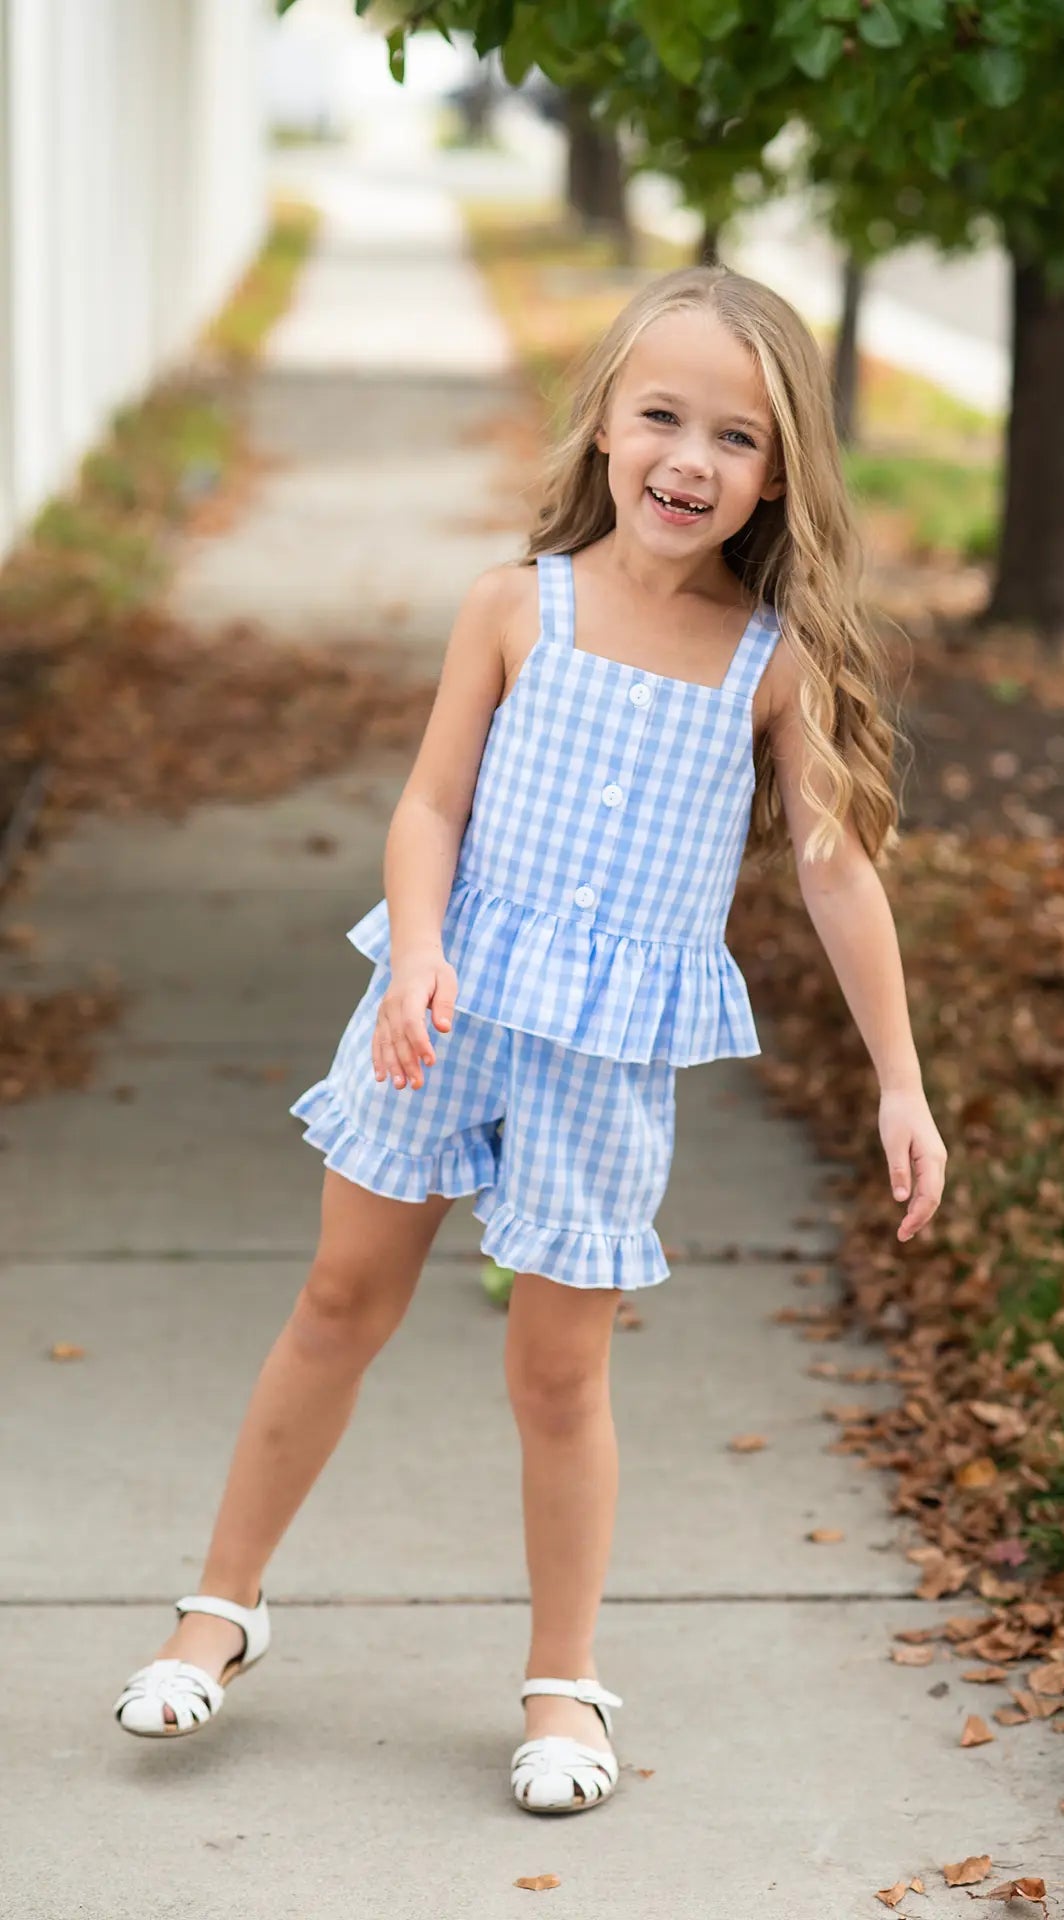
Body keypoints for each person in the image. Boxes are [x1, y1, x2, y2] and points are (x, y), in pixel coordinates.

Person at [110, 264, 949, 1813]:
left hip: (604, 1058)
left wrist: (902, 1082)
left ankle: (563, 1684)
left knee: (559, 1376)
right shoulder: (518, 605)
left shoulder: (774, 664)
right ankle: (219, 1607)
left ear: (782, 474)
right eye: (664, 417)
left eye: (739, 438)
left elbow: (837, 868)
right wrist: (417, 950)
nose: (692, 460)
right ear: (607, 428)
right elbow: (430, 805)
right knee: (335, 1301)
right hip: (445, 1013)